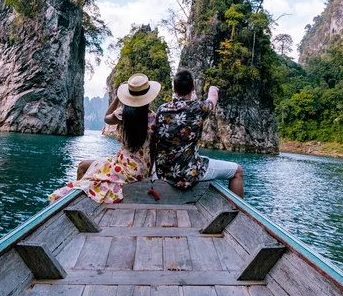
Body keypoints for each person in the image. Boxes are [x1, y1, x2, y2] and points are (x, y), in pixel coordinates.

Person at [48, 73, 160, 204]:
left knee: (82, 166)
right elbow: (153, 149)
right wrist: (148, 173)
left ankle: (75, 202)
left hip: (124, 168)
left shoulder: (122, 114)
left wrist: (118, 97)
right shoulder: (154, 118)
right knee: (89, 168)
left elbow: (106, 118)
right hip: (141, 171)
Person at [155, 69, 244, 198]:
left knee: (204, 160)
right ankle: (239, 213)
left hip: (164, 173)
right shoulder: (198, 108)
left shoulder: (162, 109)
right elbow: (213, 98)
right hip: (189, 173)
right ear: (193, 87)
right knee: (238, 171)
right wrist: (213, 88)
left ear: (174, 88)